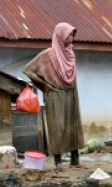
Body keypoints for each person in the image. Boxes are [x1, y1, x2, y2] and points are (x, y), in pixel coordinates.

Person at [23, 23, 85, 168]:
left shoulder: (70, 53)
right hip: (55, 94)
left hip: (71, 93)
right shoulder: (48, 54)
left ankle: (75, 161)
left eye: (72, 35)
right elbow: (28, 70)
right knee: (58, 126)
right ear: (60, 36)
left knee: (72, 125)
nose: (72, 38)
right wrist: (45, 85)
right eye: (69, 35)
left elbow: (71, 76)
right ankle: (58, 161)